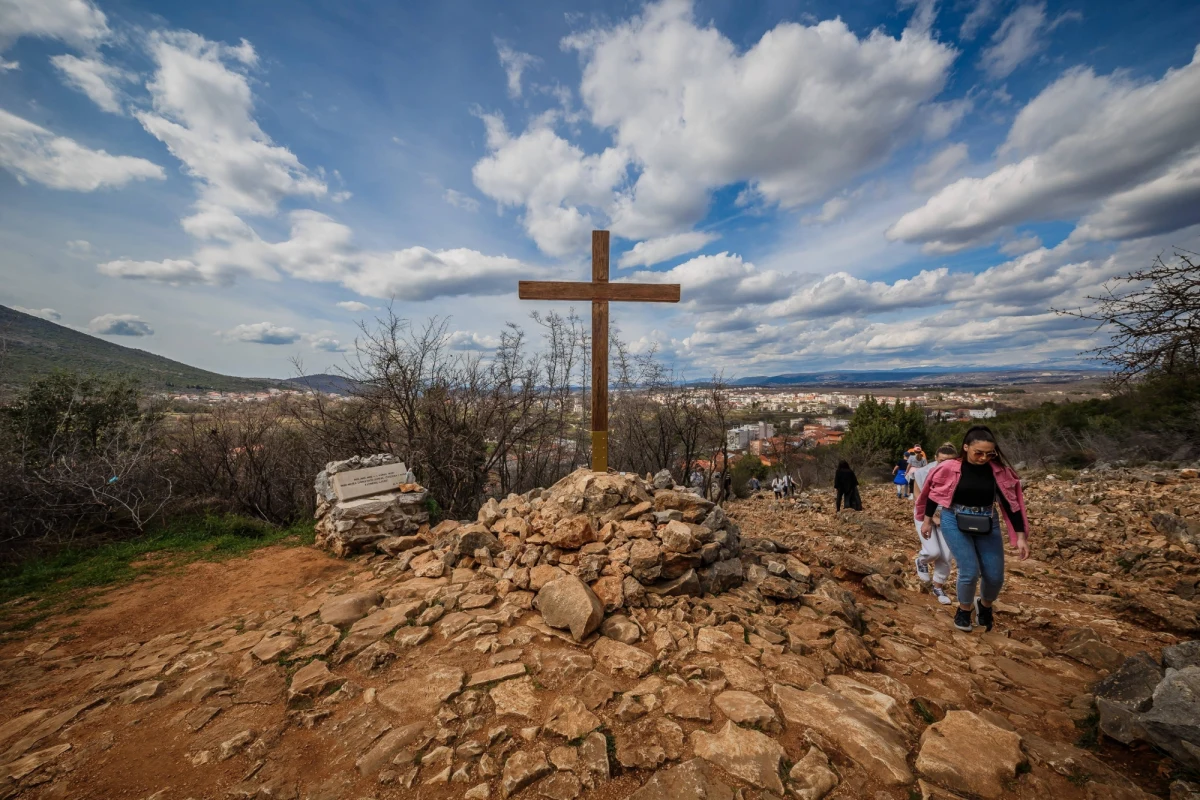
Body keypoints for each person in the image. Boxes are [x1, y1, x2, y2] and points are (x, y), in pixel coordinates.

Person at [917, 425, 1030, 633]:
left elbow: (1011, 504)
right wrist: (927, 520)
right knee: (969, 570)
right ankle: (964, 610)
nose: (983, 458)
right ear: (966, 447)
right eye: (978, 453)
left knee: (995, 576)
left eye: (989, 454)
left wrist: (1021, 536)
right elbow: (935, 494)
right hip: (954, 517)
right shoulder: (949, 467)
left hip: (987, 519)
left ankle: (985, 606)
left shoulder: (1000, 473)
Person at [910, 443, 958, 605]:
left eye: (949, 461)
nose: (945, 464)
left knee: (946, 555)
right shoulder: (923, 473)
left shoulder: (960, 473)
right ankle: (921, 561)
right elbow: (918, 499)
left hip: (948, 516)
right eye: (942, 460)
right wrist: (929, 519)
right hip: (924, 515)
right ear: (935, 458)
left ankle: (938, 586)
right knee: (933, 551)